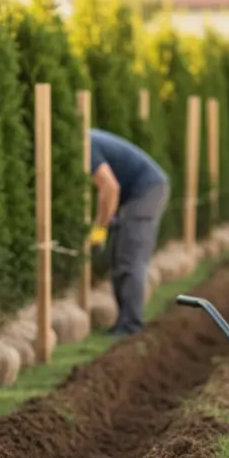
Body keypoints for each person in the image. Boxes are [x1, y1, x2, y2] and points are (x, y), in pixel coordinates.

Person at [88, 128, 170, 336]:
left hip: (145, 190)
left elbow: (110, 188)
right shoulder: (87, 139)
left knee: (130, 259)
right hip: (138, 192)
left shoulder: (85, 145)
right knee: (120, 259)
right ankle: (124, 322)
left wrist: (100, 229)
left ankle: (131, 325)